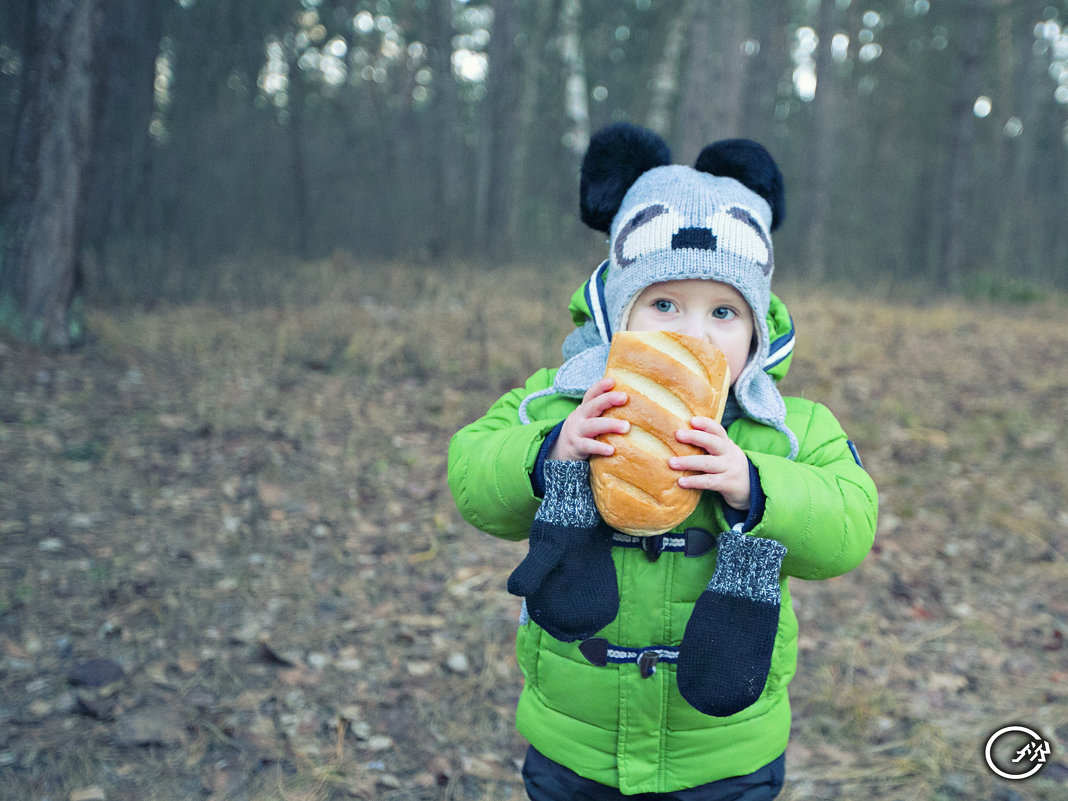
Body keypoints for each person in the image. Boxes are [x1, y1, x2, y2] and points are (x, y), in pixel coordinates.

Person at [447, 123, 878, 800]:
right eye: (664, 304)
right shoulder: (563, 397)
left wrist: (754, 485)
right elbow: (472, 475)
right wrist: (551, 450)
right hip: (575, 740)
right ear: (622, 315)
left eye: (724, 312)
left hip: (725, 753)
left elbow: (850, 525)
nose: (691, 331)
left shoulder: (786, 428)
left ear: (757, 330)